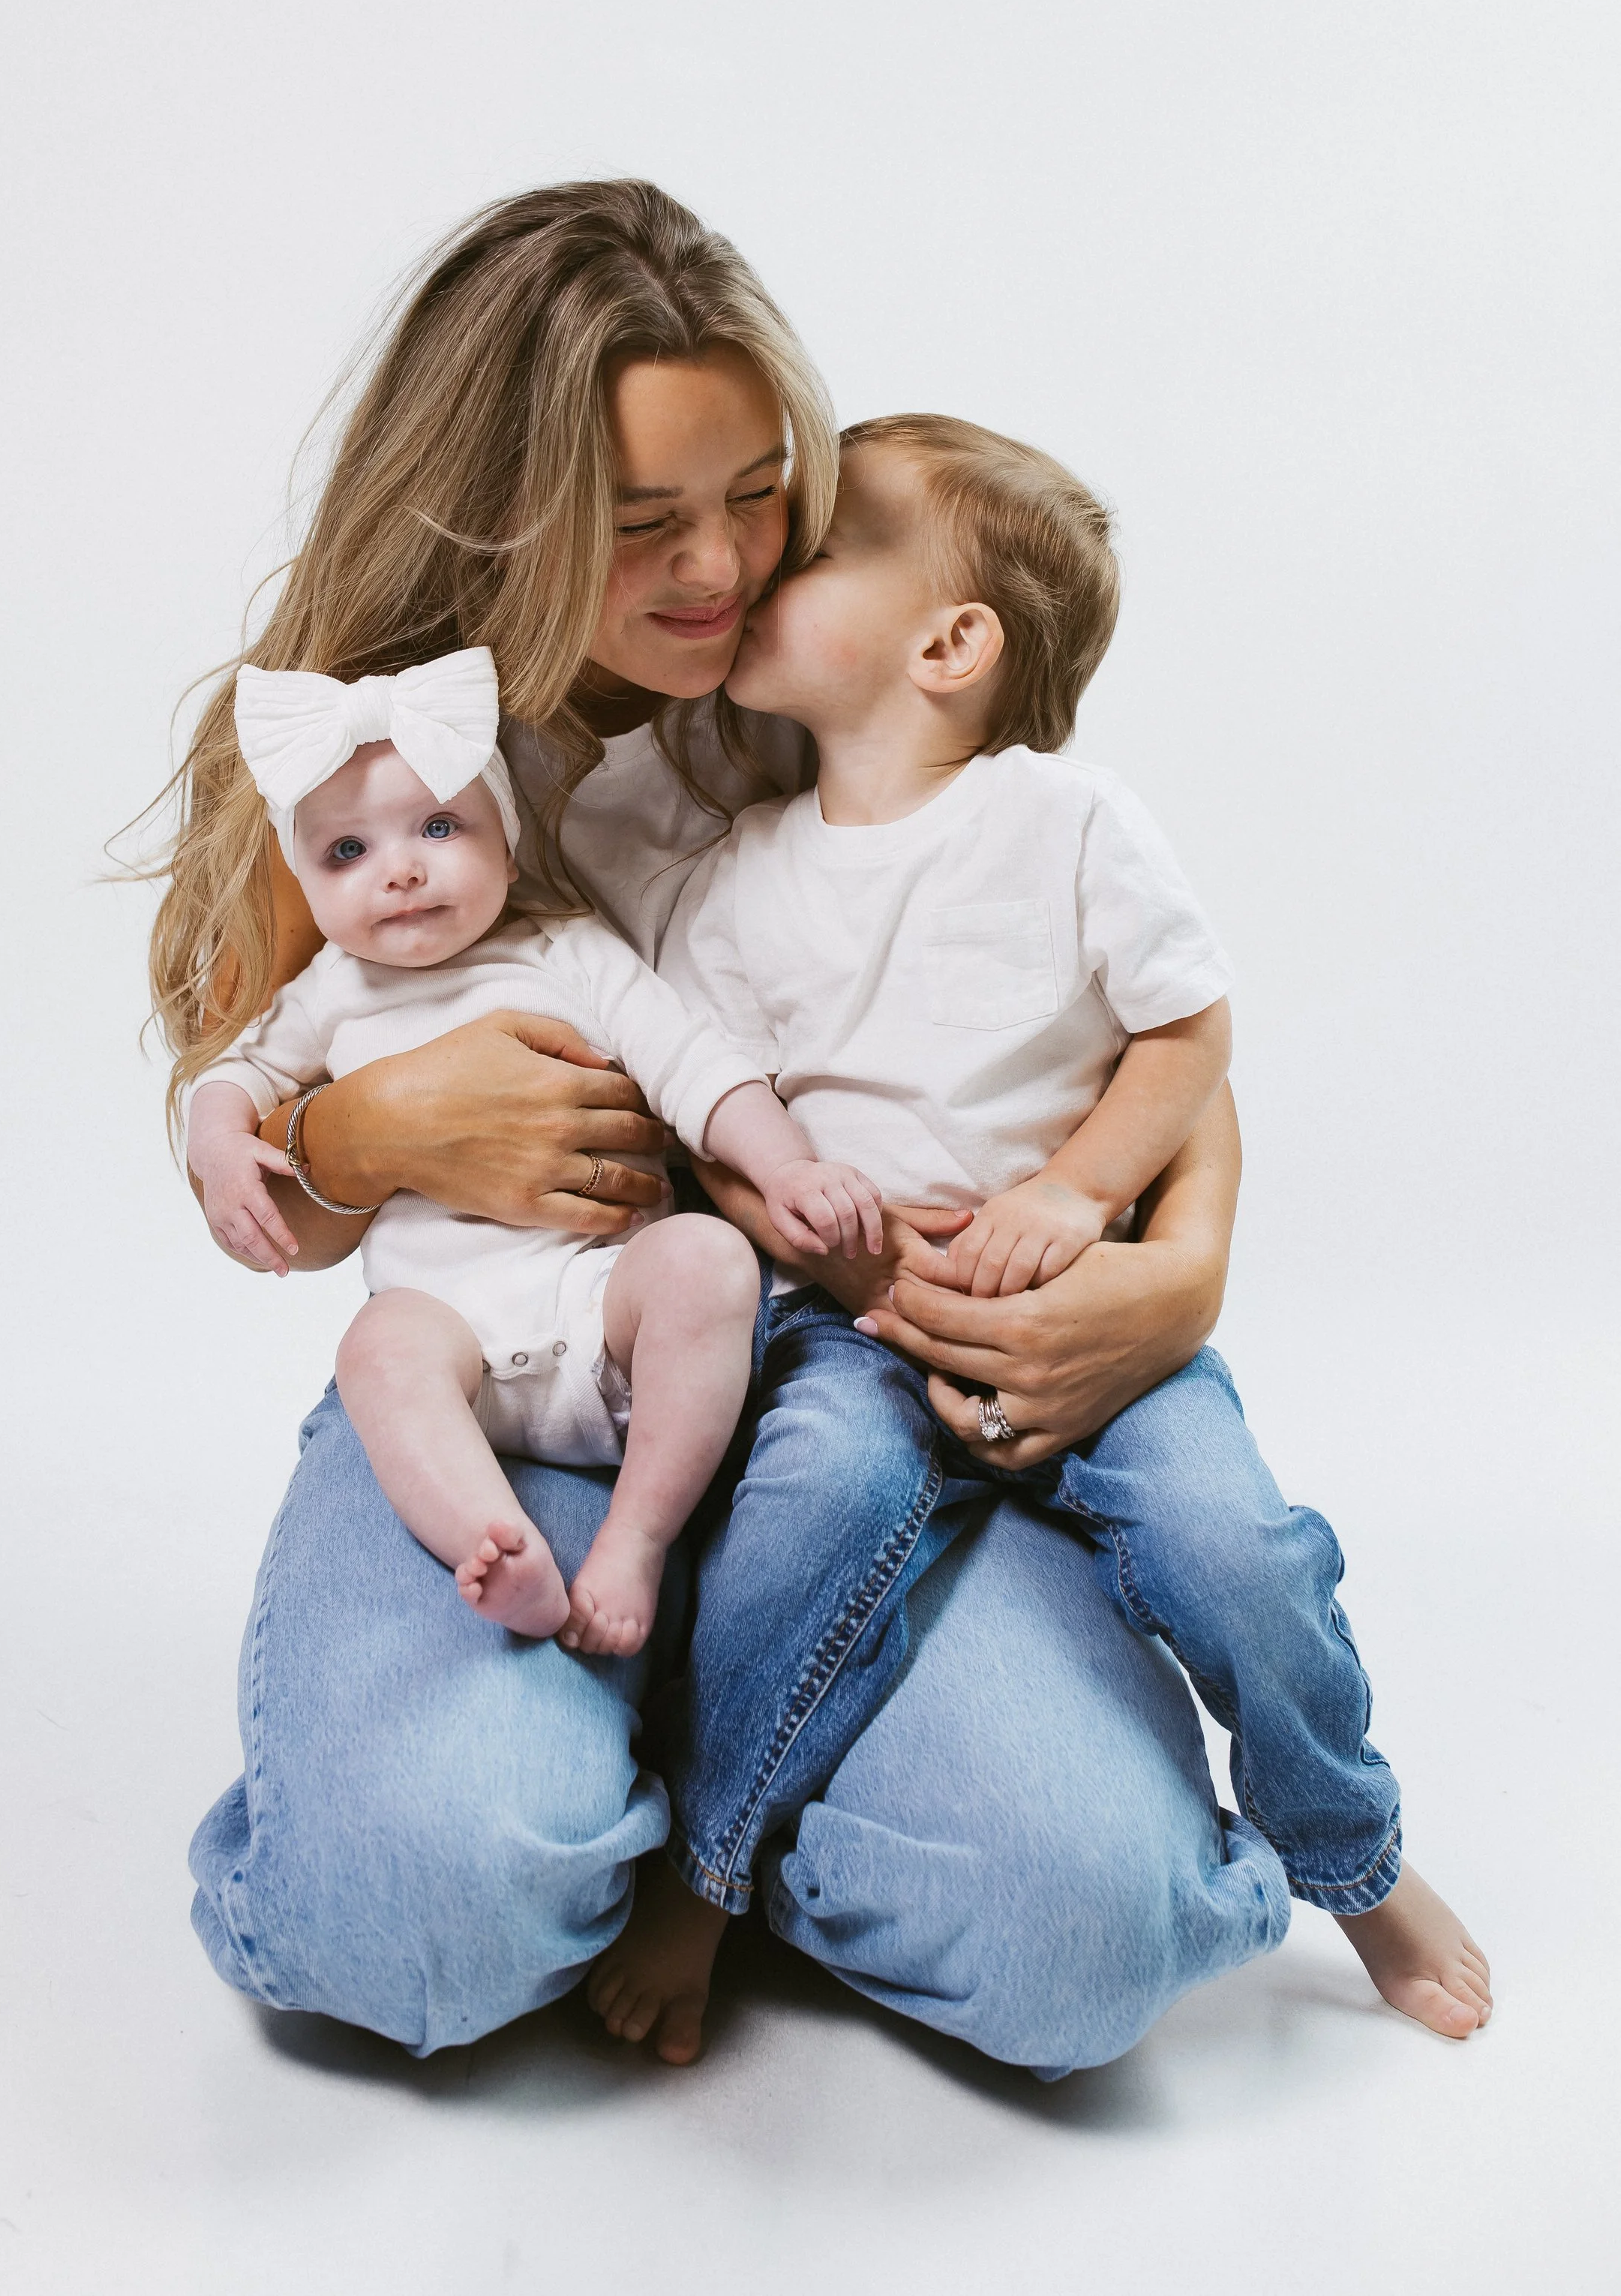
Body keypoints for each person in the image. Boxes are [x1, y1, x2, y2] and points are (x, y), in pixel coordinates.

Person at [154, 179, 1286, 2078]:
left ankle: (717, 1784)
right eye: (639, 522)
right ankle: (618, 1749)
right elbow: (263, 1132)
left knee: (1088, 1939)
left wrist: (1171, 1279)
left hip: (855, 1398)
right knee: (417, 1924)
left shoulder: (819, 678)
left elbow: (1141, 1020)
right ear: (498, 512)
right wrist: (372, 1130)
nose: (716, 567)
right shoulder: (378, 751)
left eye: (755, 491)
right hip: (522, 1380)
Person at [585, 415, 1490, 2051]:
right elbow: (720, 1125)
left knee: (1234, 1548)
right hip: (849, 1337)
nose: (767, 562)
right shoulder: (730, 878)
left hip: (1083, 1318)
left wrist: (1075, 1194)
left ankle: (1349, 1857)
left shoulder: (1062, 823)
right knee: (814, 1506)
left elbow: (1187, 1033)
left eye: (826, 539)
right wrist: (805, 1232)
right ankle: (705, 1869)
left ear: (949, 643)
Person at [185, 644, 880, 1652]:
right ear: (308, 879)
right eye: (348, 852)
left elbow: (697, 1067)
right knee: (377, 1351)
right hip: (450, 1340)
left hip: (602, 1312)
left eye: (439, 826)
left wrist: (786, 1167)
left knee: (708, 1260)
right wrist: (218, 1144)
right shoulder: (332, 989)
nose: (403, 867)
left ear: (508, 844)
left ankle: (636, 1539)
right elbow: (235, 1073)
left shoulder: (570, 953)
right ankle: (494, 1543)